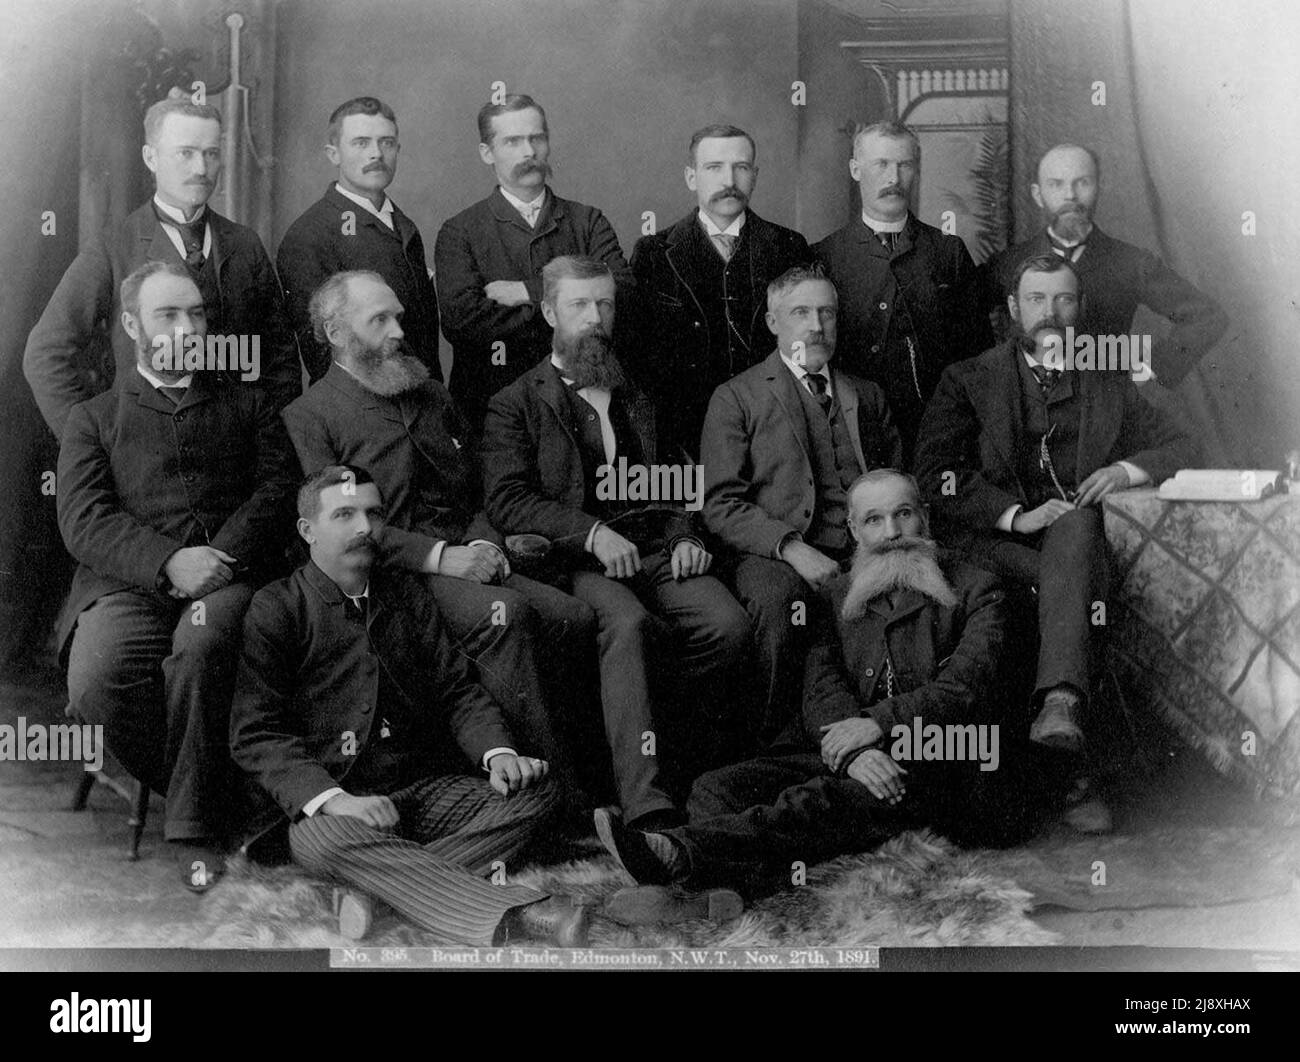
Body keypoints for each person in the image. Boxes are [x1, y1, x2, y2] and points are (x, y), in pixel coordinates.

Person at [593, 470, 1018, 917]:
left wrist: (876, 725)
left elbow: (967, 687)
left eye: (904, 514)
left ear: (924, 518)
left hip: (946, 759)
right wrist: (855, 754)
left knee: (816, 801)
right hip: (856, 751)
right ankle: (721, 894)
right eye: (874, 520)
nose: (892, 533)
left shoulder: (978, 587)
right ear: (854, 530)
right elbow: (821, 684)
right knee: (717, 788)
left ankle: (677, 854)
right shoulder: (836, 595)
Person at [230, 465, 589, 945]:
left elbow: (456, 692)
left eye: (373, 514)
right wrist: (338, 802)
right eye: (344, 514)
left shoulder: (406, 595)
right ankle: (520, 914)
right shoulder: (277, 606)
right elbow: (256, 734)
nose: (364, 528)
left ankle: (376, 896)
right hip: (332, 805)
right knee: (323, 841)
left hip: (419, 793)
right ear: (307, 530)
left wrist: (499, 755)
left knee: (537, 791)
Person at [280, 270, 597, 805]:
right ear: (335, 332)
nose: (399, 330)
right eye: (379, 319)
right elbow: (343, 525)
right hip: (391, 575)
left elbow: (475, 488)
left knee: (576, 617)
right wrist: (439, 557)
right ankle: (556, 803)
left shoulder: (428, 393)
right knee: (509, 617)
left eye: (399, 316)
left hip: (472, 552)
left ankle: (573, 785)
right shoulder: (309, 416)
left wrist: (485, 542)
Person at [914, 254, 1198, 832]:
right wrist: (1014, 515)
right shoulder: (967, 379)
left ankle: (1062, 719)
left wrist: (1125, 470)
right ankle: (1071, 756)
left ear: (1081, 309)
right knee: (1071, 582)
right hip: (998, 546)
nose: (1052, 312)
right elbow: (936, 475)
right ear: (1014, 310)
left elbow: (1182, 447)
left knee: (1075, 531)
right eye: (1038, 300)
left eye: (1064, 300)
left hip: (1079, 544)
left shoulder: (1106, 377)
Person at [482, 255, 751, 832]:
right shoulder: (516, 402)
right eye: (579, 305)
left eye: (604, 305)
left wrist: (683, 536)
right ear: (549, 311)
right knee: (628, 627)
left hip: (655, 550)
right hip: (573, 562)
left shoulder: (641, 389)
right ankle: (647, 807)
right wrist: (593, 533)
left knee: (727, 625)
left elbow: (680, 478)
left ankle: (683, 768)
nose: (595, 319)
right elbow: (507, 501)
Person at [57, 260, 297, 890]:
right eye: (169, 314)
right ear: (133, 324)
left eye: (196, 313)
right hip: (129, 586)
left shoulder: (248, 403)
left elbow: (276, 491)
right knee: (97, 680)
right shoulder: (94, 417)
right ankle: (232, 802)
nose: (187, 327)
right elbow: (84, 520)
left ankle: (196, 832)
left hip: (230, 578)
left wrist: (216, 559)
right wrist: (167, 563)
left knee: (201, 641)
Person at [701, 264, 902, 746]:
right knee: (780, 600)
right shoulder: (736, 397)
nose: (816, 325)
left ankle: (884, 738)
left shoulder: (866, 395)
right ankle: (777, 745)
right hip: (774, 554)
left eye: (826, 313)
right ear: (773, 323)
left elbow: (899, 481)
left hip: (866, 548)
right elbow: (719, 503)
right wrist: (792, 548)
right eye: (800, 313)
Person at [25, 93, 299, 440]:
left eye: (211, 154)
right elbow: (45, 353)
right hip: (149, 457)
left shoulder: (245, 244)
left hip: (236, 459)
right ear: (151, 157)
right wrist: (89, 444)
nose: (201, 169)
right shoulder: (114, 247)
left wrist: (267, 441)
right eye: (185, 153)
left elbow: (280, 357)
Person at [435, 94, 633, 432]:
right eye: (512, 141)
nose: (529, 152)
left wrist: (529, 290)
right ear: (487, 153)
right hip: (490, 409)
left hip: (586, 404)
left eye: (536, 138)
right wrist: (575, 312)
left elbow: (624, 290)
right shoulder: (460, 231)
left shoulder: (587, 221)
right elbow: (463, 323)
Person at [628, 124, 811, 460]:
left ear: (754, 176)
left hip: (773, 433)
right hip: (685, 440)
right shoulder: (653, 253)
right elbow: (640, 359)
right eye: (714, 168)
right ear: (691, 177)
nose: (729, 181)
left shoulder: (788, 248)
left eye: (741, 168)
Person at [813, 120, 990, 460]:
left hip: (937, 431)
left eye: (904, 165)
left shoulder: (948, 252)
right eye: (881, 164)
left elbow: (976, 356)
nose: (893, 178)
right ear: (855, 169)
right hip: (855, 434)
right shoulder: (826, 255)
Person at [984, 143, 1227, 389]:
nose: (1070, 195)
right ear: (1037, 195)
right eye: (1056, 184)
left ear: (1099, 187)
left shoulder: (1131, 262)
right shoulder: (1008, 263)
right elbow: (960, 317)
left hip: (1104, 411)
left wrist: (1151, 369)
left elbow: (1206, 315)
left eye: (1082, 183)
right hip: (1027, 412)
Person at [276, 97, 442, 383]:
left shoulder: (403, 225)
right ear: (333, 154)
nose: (376, 154)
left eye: (387, 143)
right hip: (362, 411)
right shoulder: (310, 235)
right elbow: (322, 351)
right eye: (361, 143)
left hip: (422, 400)